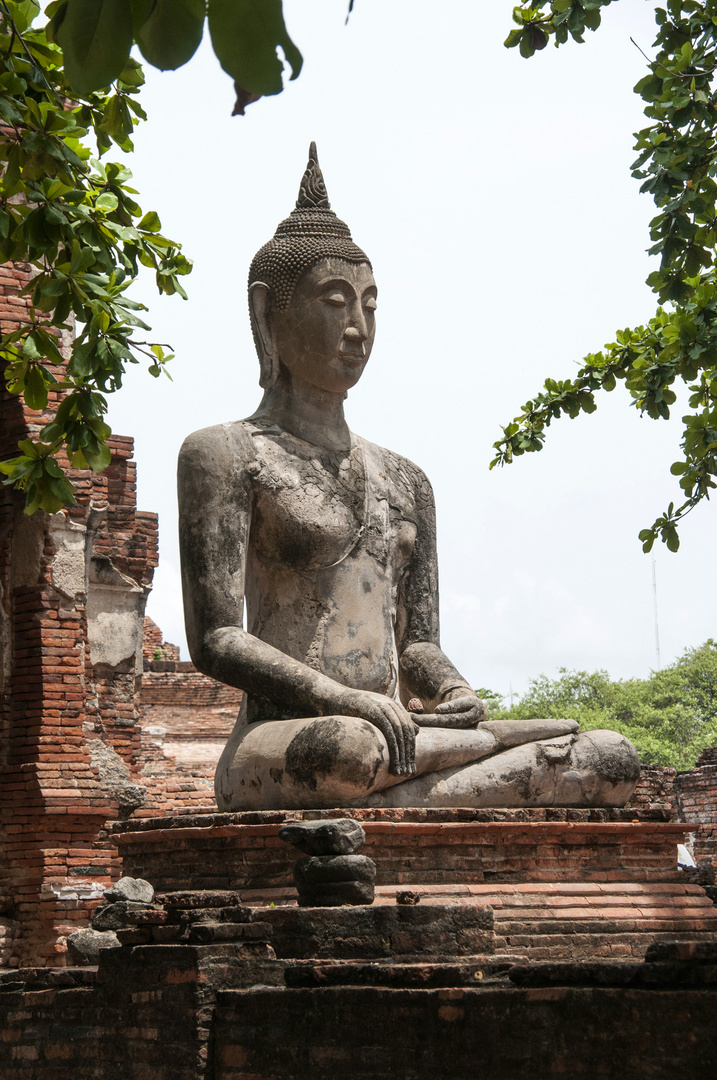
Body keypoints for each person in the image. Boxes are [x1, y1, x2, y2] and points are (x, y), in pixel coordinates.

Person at [178, 144, 639, 811]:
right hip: (290, 738)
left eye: (369, 303)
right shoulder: (225, 454)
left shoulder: (405, 479)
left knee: (611, 759)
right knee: (348, 750)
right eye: (335, 301)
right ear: (266, 312)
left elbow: (417, 642)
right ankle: (474, 763)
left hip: (400, 733)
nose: (357, 326)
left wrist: (452, 692)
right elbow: (217, 640)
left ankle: (424, 781)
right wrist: (340, 698)